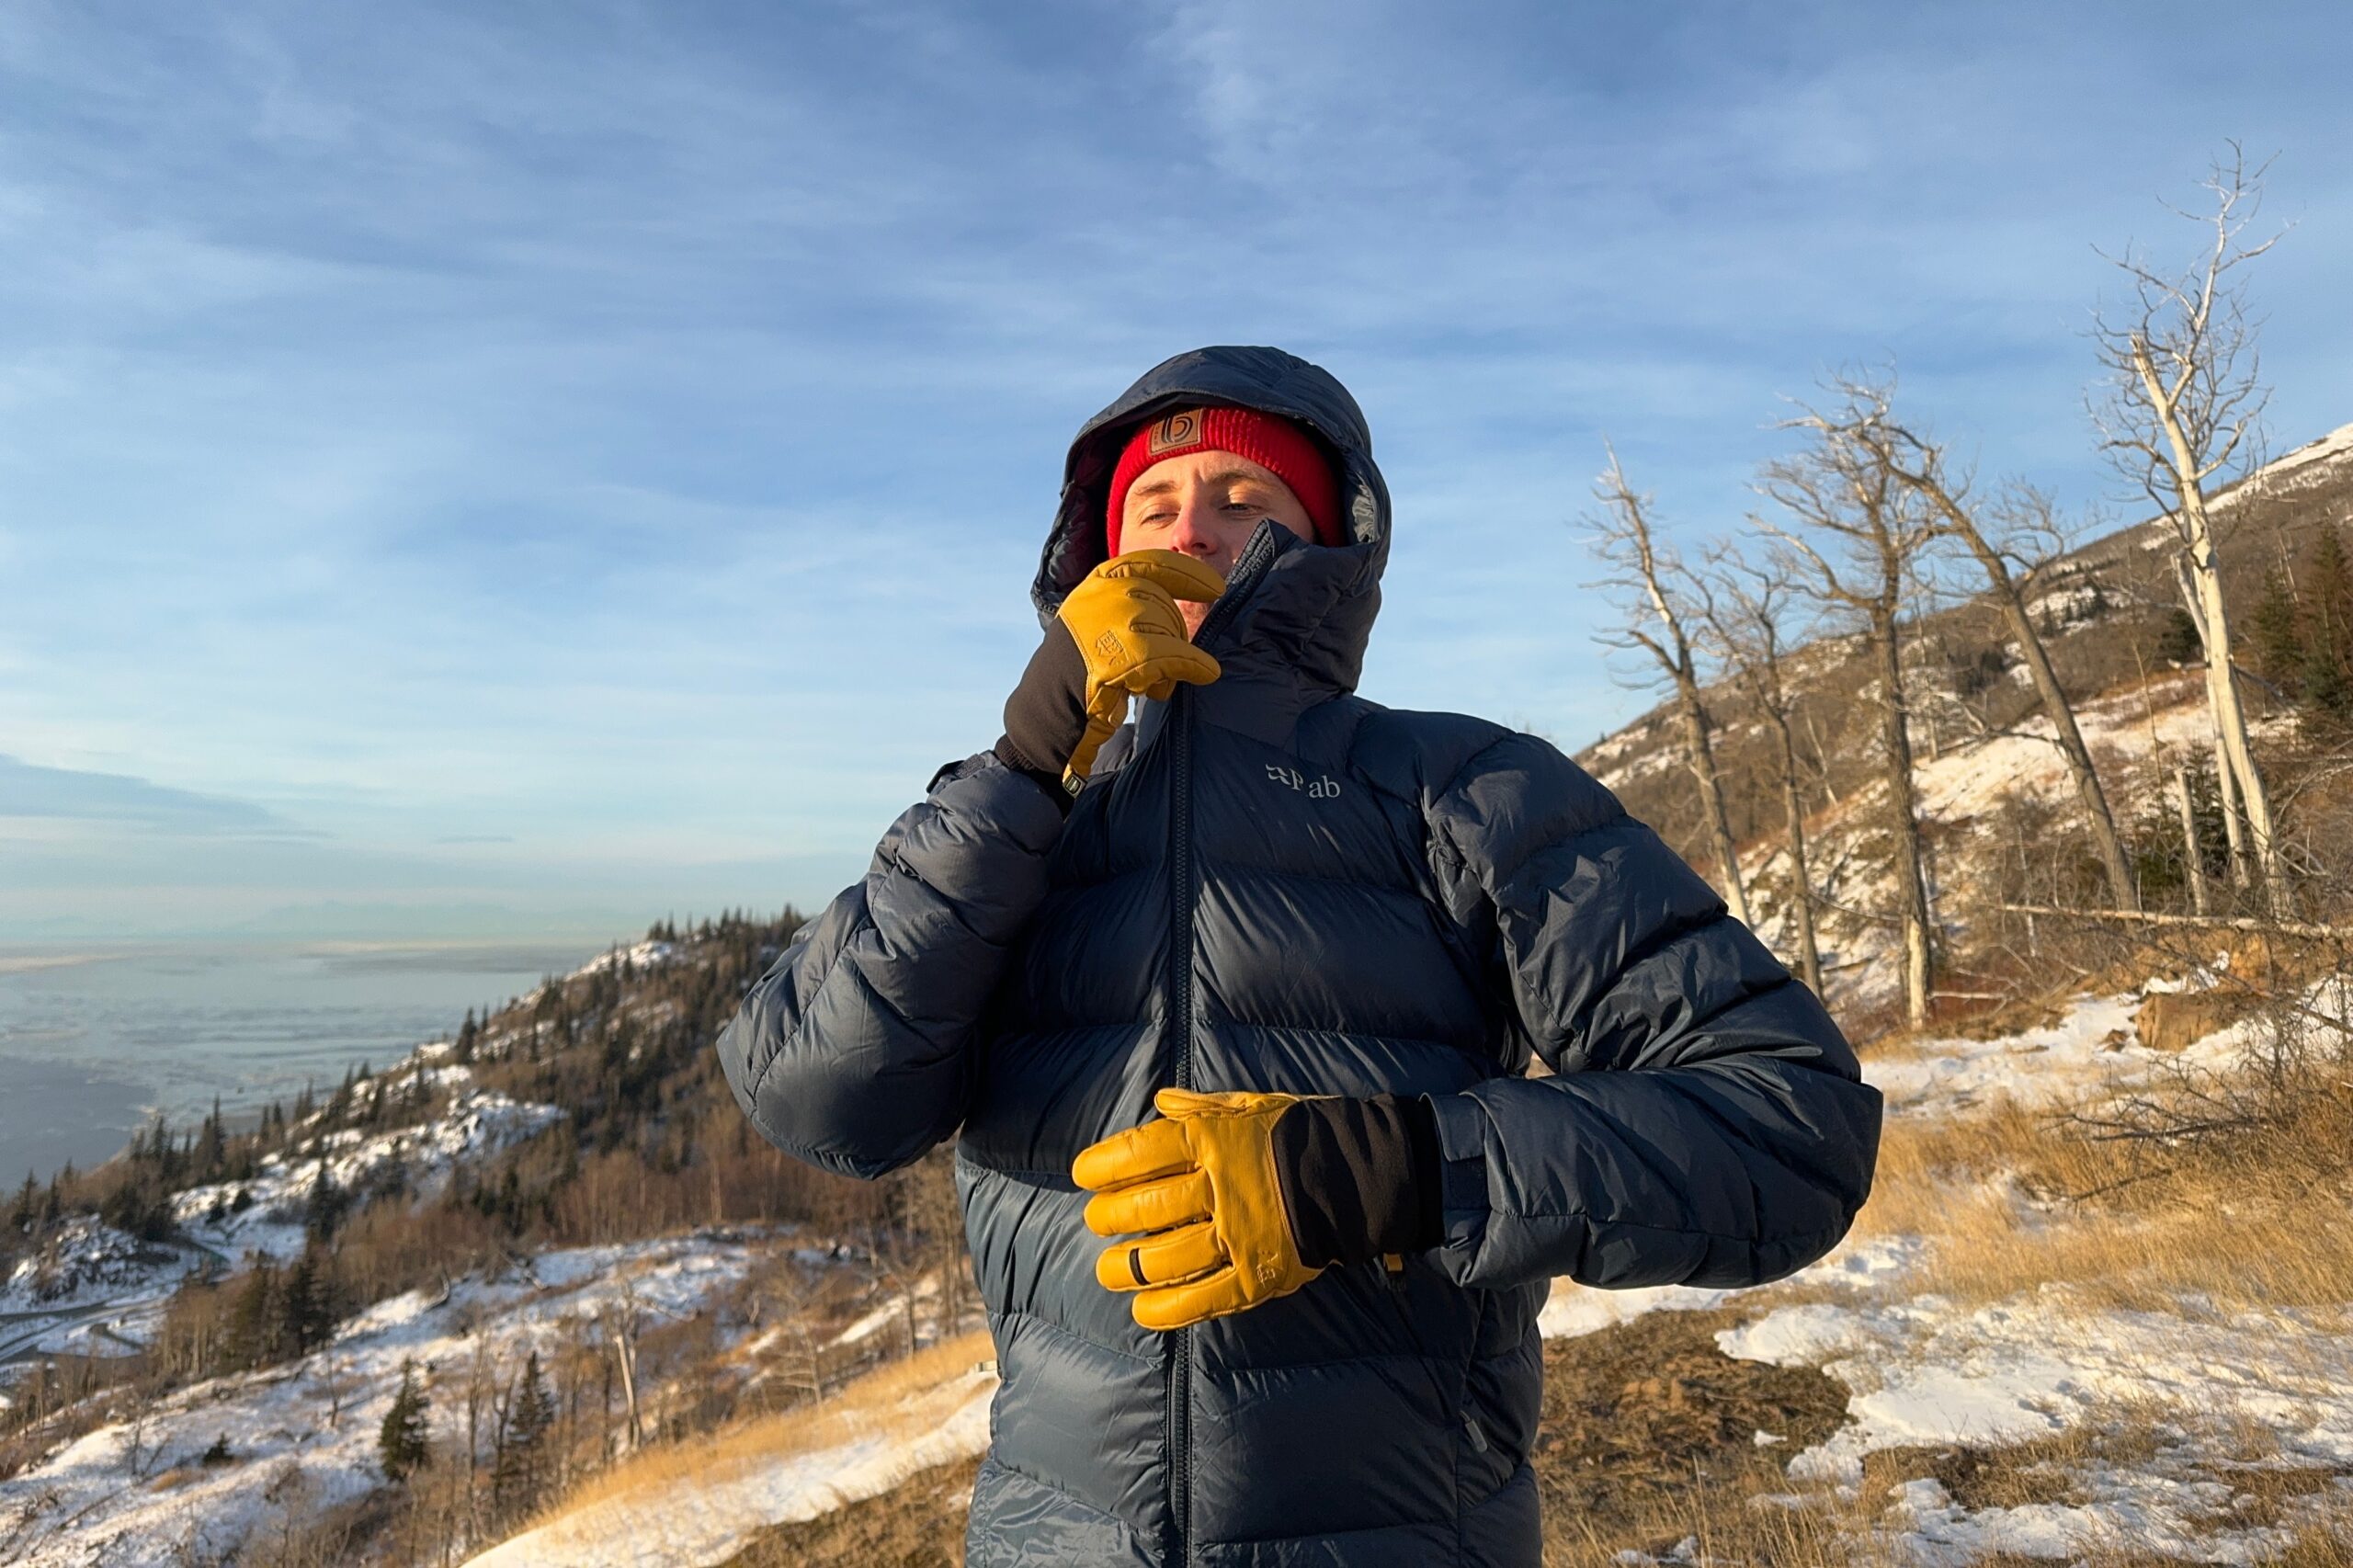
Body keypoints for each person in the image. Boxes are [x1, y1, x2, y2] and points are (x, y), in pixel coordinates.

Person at [716, 345, 1881, 1566]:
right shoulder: (1027, 822)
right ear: (1097, 560)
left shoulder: (1461, 789)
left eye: (1243, 498)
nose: (1191, 531)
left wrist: (1389, 1172)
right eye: (1154, 506)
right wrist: (1021, 763)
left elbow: (1788, 1125)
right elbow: (820, 1101)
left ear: (1326, 545)